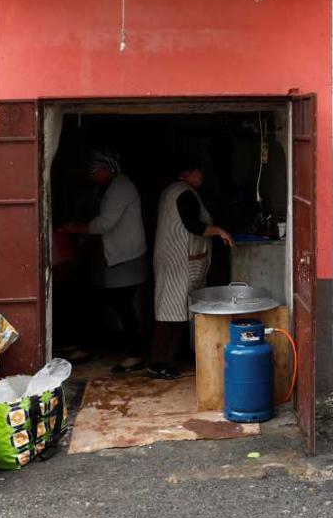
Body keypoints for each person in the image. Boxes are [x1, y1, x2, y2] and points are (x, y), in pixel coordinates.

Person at [61, 151, 149, 373]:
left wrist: (76, 228)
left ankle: (135, 353)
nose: (92, 176)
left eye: (95, 171)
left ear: (109, 168)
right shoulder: (109, 187)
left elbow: (105, 224)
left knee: (123, 305)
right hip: (113, 256)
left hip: (125, 257)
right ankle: (87, 345)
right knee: (98, 301)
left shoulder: (121, 188)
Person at [148, 155, 235, 380]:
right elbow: (194, 226)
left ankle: (165, 362)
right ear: (189, 173)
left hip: (174, 259)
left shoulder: (173, 191)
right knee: (172, 314)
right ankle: (160, 363)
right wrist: (220, 231)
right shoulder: (183, 193)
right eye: (198, 172)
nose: (201, 177)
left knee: (173, 312)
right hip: (179, 262)